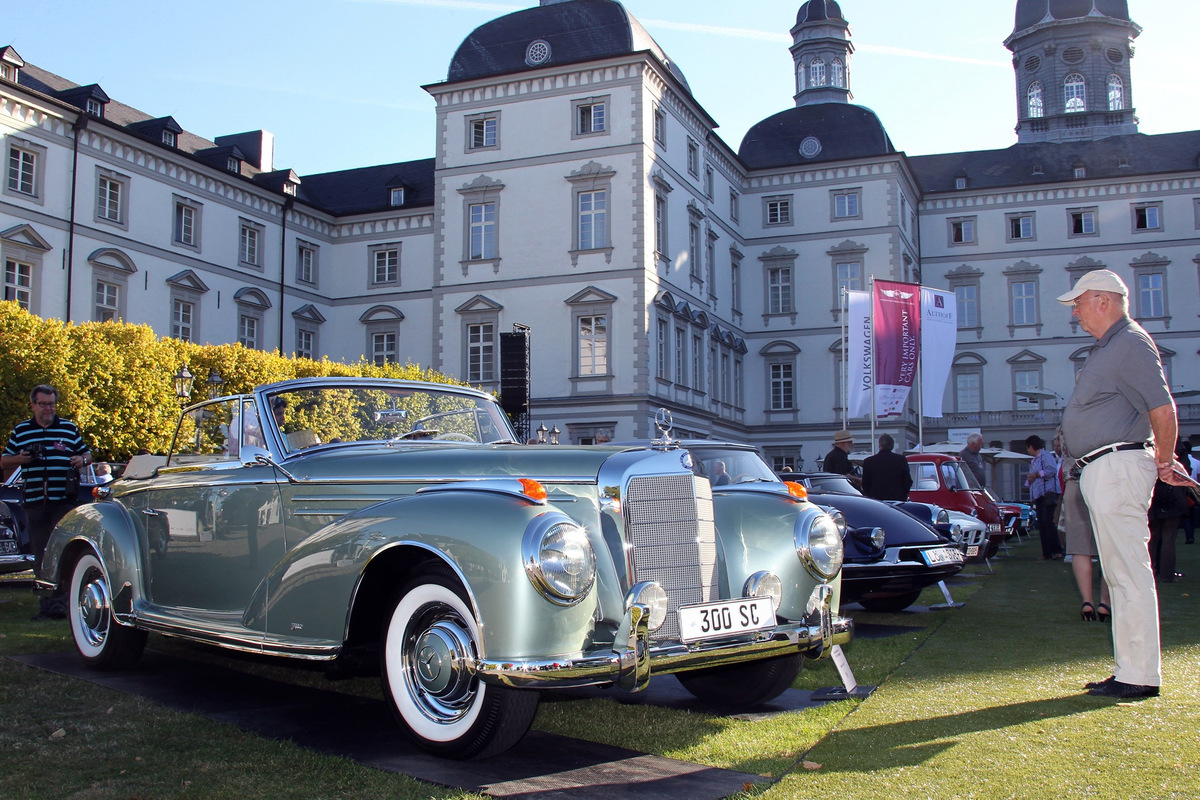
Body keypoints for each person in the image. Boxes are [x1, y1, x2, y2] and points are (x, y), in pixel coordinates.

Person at [1058, 268, 1189, 700]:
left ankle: (1139, 675)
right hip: (1106, 468)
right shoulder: (1114, 346)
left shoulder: (1129, 343)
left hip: (1117, 467)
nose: (1074, 312)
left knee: (1127, 574)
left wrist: (1166, 460)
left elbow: (1163, 409)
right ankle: (1131, 669)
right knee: (1120, 575)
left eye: (1078, 302)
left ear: (1104, 301)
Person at [1, 384, 93, 620]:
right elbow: (4, 462)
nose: (48, 409)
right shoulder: (22, 430)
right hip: (34, 500)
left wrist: (80, 460)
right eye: (42, 404)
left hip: (62, 500)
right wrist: (20, 458)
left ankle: (61, 604)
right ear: (33, 405)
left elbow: (88, 454)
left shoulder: (67, 428)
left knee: (62, 552)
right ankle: (45, 605)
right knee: (40, 553)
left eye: (51, 404)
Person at [1058, 448, 1110, 622]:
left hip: (1076, 482)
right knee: (1108, 545)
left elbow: (1061, 450)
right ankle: (1105, 603)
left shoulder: (1069, 424)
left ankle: (1087, 602)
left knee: (1080, 547)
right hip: (1105, 481)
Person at [1147, 448, 1188, 583]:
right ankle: (1166, 574)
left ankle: (1150, 571)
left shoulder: (1150, 450)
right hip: (1173, 498)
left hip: (1154, 497)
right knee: (1168, 539)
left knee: (1152, 538)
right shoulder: (1180, 452)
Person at [1025, 434, 1063, 561]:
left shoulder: (1045, 456)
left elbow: (1051, 470)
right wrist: (1030, 480)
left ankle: (1056, 550)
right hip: (1039, 494)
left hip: (1048, 493)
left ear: (1031, 447)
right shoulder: (1034, 460)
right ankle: (1046, 552)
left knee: (1047, 521)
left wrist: (1037, 474)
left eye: (1028, 447)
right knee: (1042, 523)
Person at [861, 433, 912, 501]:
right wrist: (903, 495)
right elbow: (907, 481)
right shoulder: (900, 460)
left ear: (879, 445)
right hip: (897, 500)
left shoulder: (868, 461)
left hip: (876, 501)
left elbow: (865, 484)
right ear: (892, 446)